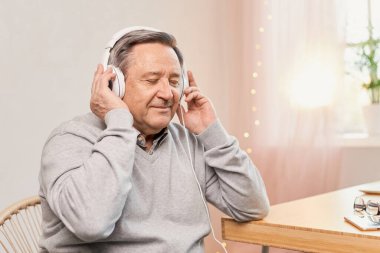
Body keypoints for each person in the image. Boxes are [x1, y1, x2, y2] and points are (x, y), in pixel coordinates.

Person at [38, 27, 269, 253]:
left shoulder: (187, 144)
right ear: (114, 84)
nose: (168, 94)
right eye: (152, 80)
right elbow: (91, 223)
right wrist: (119, 122)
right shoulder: (70, 140)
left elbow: (252, 206)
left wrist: (212, 132)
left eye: (174, 81)